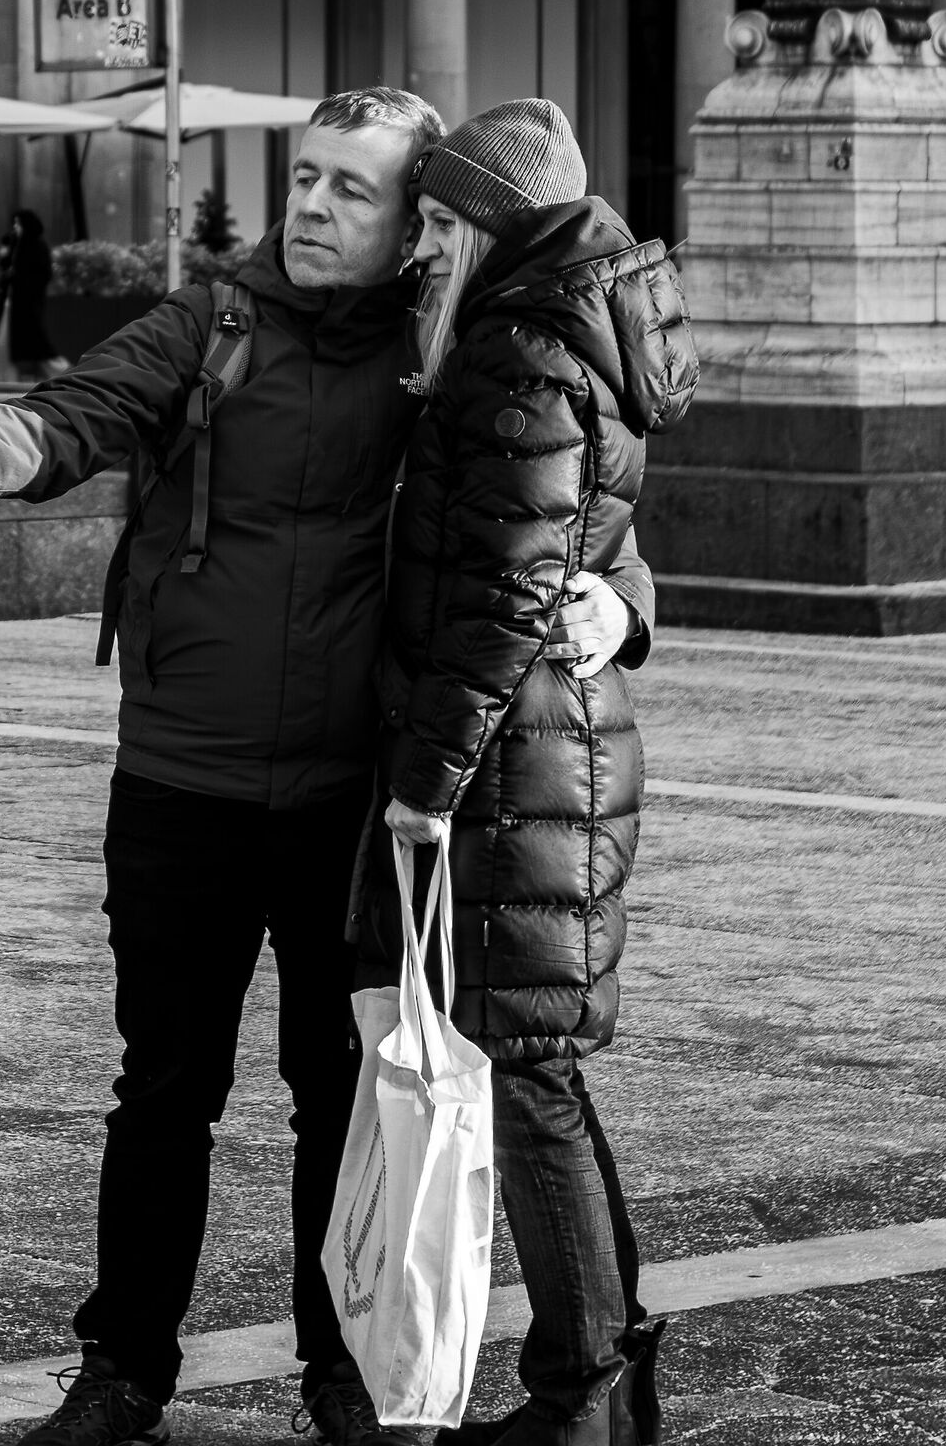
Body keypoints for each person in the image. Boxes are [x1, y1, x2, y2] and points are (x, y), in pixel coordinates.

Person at [0, 86, 657, 1446]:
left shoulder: (449, 345)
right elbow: (67, 418)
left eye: (351, 187)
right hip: (182, 776)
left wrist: (625, 605)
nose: (311, 205)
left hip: (350, 797)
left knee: (338, 1095)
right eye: (302, 177)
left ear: (416, 219)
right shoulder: (213, 321)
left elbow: (575, 506)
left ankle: (341, 1376)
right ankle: (123, 1370)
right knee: (162, 1090)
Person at [362, 99, 697, 1446]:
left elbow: (505, 592)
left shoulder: (520, 351)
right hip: (552, 747)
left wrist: (423, 781)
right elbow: (571, 549)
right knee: (542, 1070)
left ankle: (581, 1400)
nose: (419, 247)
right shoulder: (566, 333)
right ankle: (603, 1384)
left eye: (437, 222)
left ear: (489, 227)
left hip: (518, 766)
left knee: (531, 1082)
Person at [0, 206, 60, 378]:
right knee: (28, 343)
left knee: (37, 342)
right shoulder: (18, 244)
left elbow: (42, 273)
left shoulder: (36, 245)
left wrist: (19, 277)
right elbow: (6, 264)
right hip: (19, 302)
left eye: (18, 224)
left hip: (29, 302)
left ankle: (57, 372)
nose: (15, 227)